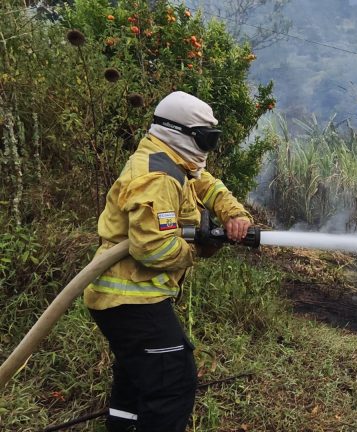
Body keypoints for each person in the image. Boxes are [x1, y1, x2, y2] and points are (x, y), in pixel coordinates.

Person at [84, 91, 253, 431]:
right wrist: (200, 248)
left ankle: (124, 426)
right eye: (207, 139)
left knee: (136, 375)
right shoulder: (158, 176)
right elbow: (152, 248)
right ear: (183, 133)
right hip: (132, 300)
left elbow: (207, 183)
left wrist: (234, 214)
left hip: (128, 298)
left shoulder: (171, 160)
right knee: (172, 381)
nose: (208, 148)